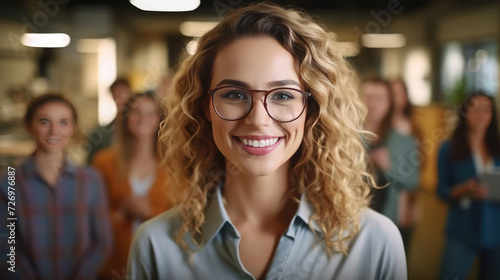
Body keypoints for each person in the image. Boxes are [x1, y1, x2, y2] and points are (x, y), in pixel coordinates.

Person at [127, 3, 407, 280]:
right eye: (235, 94)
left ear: (311, 109)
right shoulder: (155, 246)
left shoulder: (373, 242)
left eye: (283, 95)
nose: (258, 119)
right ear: (205, 107)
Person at [0, 93, 112, 280]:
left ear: (73, 128)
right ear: (29, 126)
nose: (54, 131)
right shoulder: (9, 182)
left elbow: (102, 242)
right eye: (44, 122)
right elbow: (5, 247)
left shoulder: (91, 180)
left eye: (63, 122)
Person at [92, 93, 172, 279]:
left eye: (151, 113)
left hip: (160, 263)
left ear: (160, 119)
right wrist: (119, 216)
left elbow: (184, 220)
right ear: (125, 117)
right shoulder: (103, 162)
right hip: (114, 264)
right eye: (136, 112)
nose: (143, 119)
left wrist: (149, 214)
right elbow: (90, 217)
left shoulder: (174, 165)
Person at [437, 91, 500, 280]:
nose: (480, 115)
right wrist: (462, 189)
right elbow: (441, 190)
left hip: (495, 228)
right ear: (464, 113)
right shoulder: (449, 148)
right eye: (474, 109)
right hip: (462, 227)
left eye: (486, 110)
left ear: (492, 115)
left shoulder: (497, 147)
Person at [360, 77, 419, 250]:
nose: (373, 104)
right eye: (368, 97)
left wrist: (389, 167)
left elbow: (414, 181)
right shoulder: (348, 136)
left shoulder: (405, 140)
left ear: (389, 103)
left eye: (380, 98)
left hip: (388, 217)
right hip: (352, 218)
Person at [86, 78, 132, 164]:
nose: (122, 99)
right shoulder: (98, 134)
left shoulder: (141, 130)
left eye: (125, 95)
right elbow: (90, 166)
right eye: (118, 95)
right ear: (113, 97)